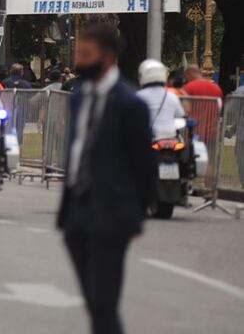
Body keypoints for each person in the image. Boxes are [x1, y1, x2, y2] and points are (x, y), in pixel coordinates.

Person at [58, 25, 153, 334]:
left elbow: (143, 164)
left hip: (112, 213)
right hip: (77, 211)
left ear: (108, 58)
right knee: (93, 300)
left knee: (103, 302)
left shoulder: (130, 104)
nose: (79, 62)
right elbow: (77, 149)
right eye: (78, 54)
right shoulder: (79, 98)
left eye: (86, 55)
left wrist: (136, 213)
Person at [136, 59, 184, 139]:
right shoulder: (172, 96)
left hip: (149, 137)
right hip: (170, 137)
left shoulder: (139, 96)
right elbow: (180, 114)